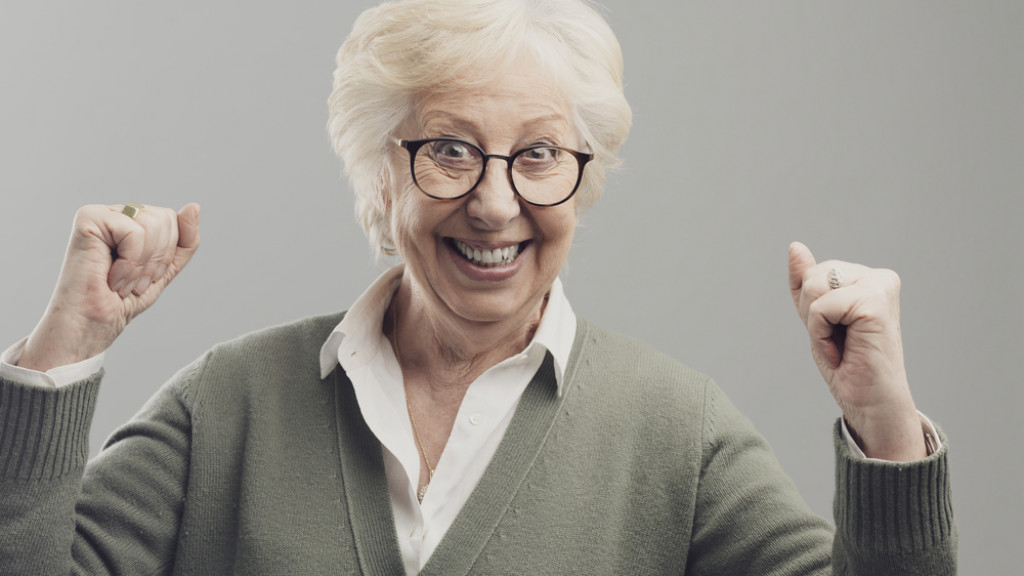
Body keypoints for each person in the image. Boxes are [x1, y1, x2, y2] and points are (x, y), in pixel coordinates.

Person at [0, 0, 956, 574]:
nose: (496, 205)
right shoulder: (227, 407)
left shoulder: (678, 435)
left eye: (538, 154)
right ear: (379, 171)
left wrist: (885, 426)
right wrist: (62, 355)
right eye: (450, 151)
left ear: (584, 175)